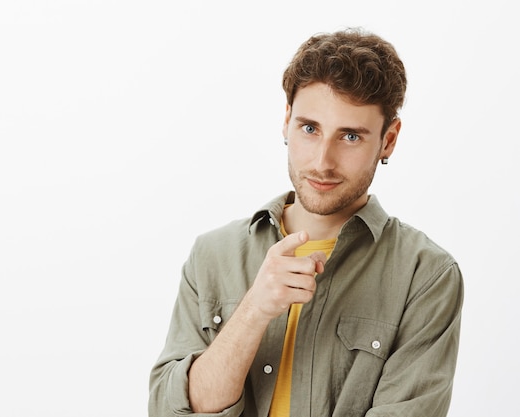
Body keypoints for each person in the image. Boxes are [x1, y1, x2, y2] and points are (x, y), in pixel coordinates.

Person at [148, 28, 464, 417]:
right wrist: (254, 310)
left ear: (389, 140)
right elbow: (170, 410)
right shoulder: (213, 255)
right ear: (287, 120)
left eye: (350, 136)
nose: (321, 162)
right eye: (309, 128)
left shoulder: (425, 276)